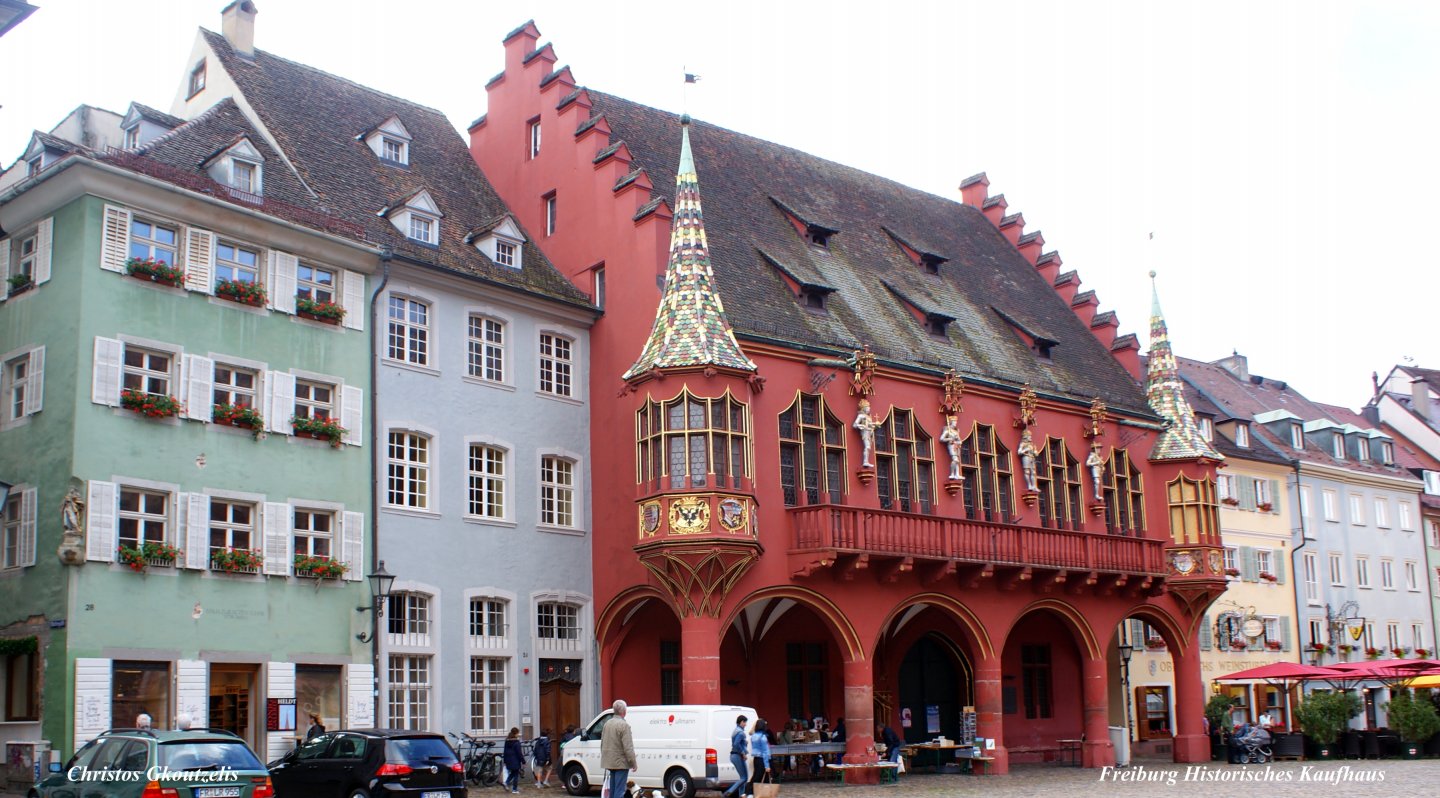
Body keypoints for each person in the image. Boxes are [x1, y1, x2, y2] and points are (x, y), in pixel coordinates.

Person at [601, 700, 637, 798]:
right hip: (621, 763)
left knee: (612, 790)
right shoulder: (624, 725)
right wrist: (633, 762)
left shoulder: (607, 724)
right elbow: (628, 747)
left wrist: (605, 757)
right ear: (624, 711)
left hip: (610, 761)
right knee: (620, 791)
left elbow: (603, 742)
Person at [722, 714, 749, 798]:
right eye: (745, 722)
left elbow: (737, 743)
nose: (746, 724)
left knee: (742, 778)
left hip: (735, 756)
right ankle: (729, 792)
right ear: (741, 722)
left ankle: (741, 795)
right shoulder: (740, 732)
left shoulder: (736, 730)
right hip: (737, 756)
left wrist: (744, 743)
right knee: (744, 777)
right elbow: (736, 744)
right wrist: (743, 753)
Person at [749, 719, 772, 796]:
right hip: (762, 760)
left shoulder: (753, 736)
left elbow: (751, 731)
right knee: (758, 778)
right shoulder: (763, 737)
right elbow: (765, 752)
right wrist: (767, 766)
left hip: (756, 759)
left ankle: (754, 794)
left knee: (757, 777)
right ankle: (749, 793)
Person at [503, 727, 524, 794]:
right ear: (516, 733)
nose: (518, 734)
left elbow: (505, 752)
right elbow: (519, 753)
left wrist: (505, 761)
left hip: (508, 760)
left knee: (513, 773)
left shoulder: (507, 741)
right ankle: (514, 789)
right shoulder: (517, 742)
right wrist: (523, 761)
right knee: (516, 775)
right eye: (518, 733)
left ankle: (506, 782)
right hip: (515, 760)